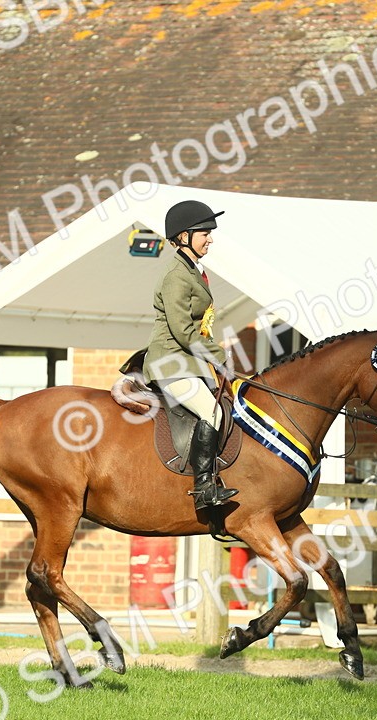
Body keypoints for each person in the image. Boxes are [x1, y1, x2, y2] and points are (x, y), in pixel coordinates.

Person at [143, 199, 238, 511]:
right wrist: (220, 356)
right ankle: (204, 489)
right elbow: (183, 331)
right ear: (183, 237)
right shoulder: (176, 276)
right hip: (170, 362)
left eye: (210, 232)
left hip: (188, 363)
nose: (210, 237)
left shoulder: (193, 270)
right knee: (212, 412)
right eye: (203, 232)